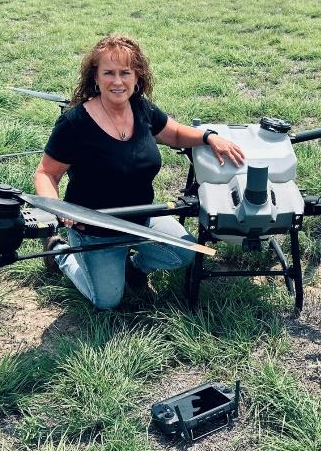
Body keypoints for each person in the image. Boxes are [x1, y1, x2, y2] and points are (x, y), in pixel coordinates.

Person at [33, 35, 245, 310]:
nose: (117, 81)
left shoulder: (142, 108)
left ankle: (134, 265)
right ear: (95, 78)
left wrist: (208, 137)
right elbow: (45, 174)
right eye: (108, 73)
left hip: (142, 220)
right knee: (107, 301)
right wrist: (58, 208)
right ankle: (60, 253)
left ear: (137, 77)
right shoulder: (74, 123)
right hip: (94, 230)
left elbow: (177, 134)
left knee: (185, 253)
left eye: (125, 73)